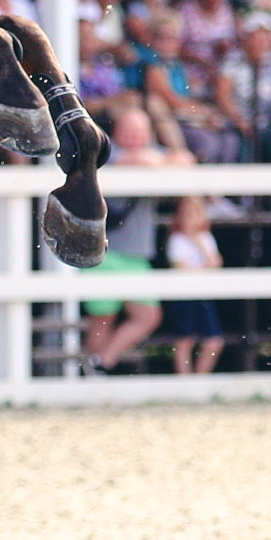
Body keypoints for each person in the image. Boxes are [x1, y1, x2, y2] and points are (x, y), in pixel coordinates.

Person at [82, 106, 169, 374]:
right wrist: (155, 162)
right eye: (128, 131)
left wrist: (156, 161)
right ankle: (92, 372)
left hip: (137, 257)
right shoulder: (107, 154)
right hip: (106, 254)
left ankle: (99, 365)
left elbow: (185, 160)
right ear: (116, 133)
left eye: (139, 132)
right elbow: (128, 161)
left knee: (147, 316)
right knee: (103, 319)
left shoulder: (155, 157)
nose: (132, 137)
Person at [162, 195, 228, 376]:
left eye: (196, 214)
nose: (192, 219)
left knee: (214, 341)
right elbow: (181, 269)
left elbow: (216, 263)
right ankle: (185, 383)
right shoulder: (176, 241)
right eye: (187, 214)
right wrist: (205, 266)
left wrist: (200, 245)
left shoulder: (206, 238)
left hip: (203, 295)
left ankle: (200, 379)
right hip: (184, 297)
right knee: (184, 341)